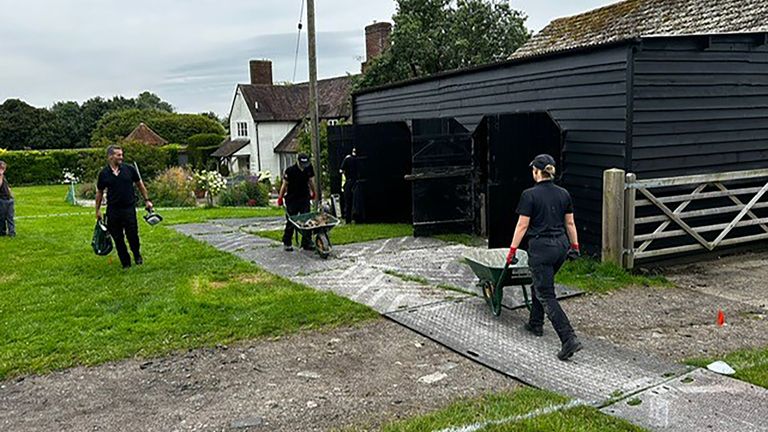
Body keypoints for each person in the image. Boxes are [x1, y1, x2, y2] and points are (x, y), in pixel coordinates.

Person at [506, 154, 582, 361]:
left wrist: (512, 251)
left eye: (533, 170)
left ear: (537, 172)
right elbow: (570, 224)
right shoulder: (564, 193)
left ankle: (568, 339)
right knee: (540, 284)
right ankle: (535, 323)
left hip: (541, 248)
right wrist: (574, 246)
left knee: (545, 292)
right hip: (561, 247)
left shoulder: (529, 195)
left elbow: (522, 226)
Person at [95, 145, 153, 269]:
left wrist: (147, 200)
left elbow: (140, 185)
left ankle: (137, 255)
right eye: (118, 155)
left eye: (122, 154)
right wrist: (97, 210)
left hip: (129, 209)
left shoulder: (129, 169)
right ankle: (125, 262)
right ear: (111, 156)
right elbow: (99, 192)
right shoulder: (104, 174)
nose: (121, 157)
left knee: (132, 235)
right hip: (113, 211)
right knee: (118, 238)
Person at [277, 153, 316, 251]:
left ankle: (306, 242)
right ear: (298, 161)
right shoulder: (290, 171)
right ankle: (287, 242)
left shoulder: (309, 168)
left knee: (306, 220)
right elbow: (284, 185)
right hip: (292, 198)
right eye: (302, 164)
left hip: (304, 197)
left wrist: (313, 192)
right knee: (292, 221)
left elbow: (311, 181)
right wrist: (280, 197)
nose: (304, 166)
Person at [339, 147, 359, 224]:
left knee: (348, 202)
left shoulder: (347, 159)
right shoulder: (357, 159)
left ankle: (348, 220)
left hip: (348, 182)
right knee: (356, 201)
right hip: (356, 182)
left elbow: (341, 170)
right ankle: (356, 218)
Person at [0, 160, 16, 237]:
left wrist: (10, 193)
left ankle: (12, 232)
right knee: (2, 217)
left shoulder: (3, 177)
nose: (3, 170)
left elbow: (6, 186)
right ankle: (2, 232)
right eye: (2, 168)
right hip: (2, 199)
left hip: (9, 199)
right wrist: (0, 176)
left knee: (10, 217)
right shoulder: (0, 177)